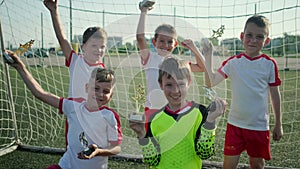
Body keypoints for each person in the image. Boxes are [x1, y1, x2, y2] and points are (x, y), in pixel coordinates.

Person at [5, 51, 122, 169]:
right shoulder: (73, 106)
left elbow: (116, 148)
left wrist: (99, 152)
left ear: (111, 96)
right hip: (66, 166)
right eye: (96, 88)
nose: (100, 94)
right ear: (87, 88)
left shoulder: (110, 116)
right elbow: (40, 94)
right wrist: (21, 67)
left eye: (106, 91)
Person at [204, 15, 283, 169]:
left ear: (266, 41)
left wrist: (278, 123)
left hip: (258, 126)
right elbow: (211, 81)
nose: (253, 40)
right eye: (249, 35)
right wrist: (208, 56)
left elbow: (275, 95)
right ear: (242, 36)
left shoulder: (269, 64)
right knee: (228, 166)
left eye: (259, 37)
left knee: (257, 164)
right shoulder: (233, 62)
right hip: (235, 125)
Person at [129, 57, 227, 169]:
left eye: (180, 84)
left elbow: (204, 153)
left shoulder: (200, 113)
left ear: (189, 82)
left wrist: (210, 122)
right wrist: (142, 134)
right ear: (161, 84)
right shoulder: (155, 118)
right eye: (169, 85)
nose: (175, 91)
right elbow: (152, 160)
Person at [44, 0, 108, 146]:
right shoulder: (75, 60)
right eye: (94, 46)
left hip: (93, 116)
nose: (98, 50)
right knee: (73, 147)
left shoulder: (103, 70)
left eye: (102, 47)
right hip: (74, 114)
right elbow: (62, 39)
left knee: (92, 148)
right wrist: (54, 12)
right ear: (83, 46)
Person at [136, 3, 206, 112]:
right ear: (154, 42)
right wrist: (143, 11)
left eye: (169, 42)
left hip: (173, 110)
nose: (165, 45)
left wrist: (194, 48)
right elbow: (140, 38)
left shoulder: (178, 63)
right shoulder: (150, 58)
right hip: (152, 109)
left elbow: (202, 67)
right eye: (161, 41)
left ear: (175, 44)